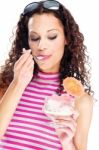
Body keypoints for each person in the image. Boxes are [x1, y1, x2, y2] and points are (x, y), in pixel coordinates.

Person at [0, 0, 93, 150]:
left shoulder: (80, 101)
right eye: (34, 38)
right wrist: (18, 83)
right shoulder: (6, 81)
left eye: (51, 36)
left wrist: (67, 143)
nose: (41, 46)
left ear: (67, 38)